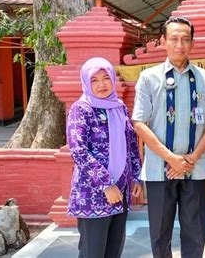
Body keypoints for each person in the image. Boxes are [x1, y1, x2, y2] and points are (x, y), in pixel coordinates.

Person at [132, 16, 205, 258]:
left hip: (196, 168)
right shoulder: (149, 78)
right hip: (158, 170)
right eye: (174, 38)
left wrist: (190, 158)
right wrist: (171, 158)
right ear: (163, 41)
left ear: (192, 43)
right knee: (160, 235)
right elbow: (139, 122)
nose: (180, 44)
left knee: (195, 232)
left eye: (185, 39)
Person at [66, 57, 142, 258]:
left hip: (120, 193)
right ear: (86, 82)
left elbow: (131, 145)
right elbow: (78, 150)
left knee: (114, 251)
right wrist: (106, 183)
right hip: (94, 195)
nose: (101, 85)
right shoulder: (81, 109)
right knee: (93, 252)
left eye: (106, 78)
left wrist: (136, 177)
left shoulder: (119, 107)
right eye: (94, 80)